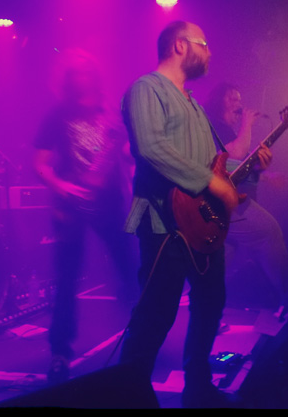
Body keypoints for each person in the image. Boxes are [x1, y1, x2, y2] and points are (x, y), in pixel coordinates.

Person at [118, 21, 240, 408]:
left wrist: (249, 168)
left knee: (210, 304)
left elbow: (214, 163)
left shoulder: (194, 104)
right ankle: (127, 398)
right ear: (180, 46)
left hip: (201, 225)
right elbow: (151, 147)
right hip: (164, 225)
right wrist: (212, 183)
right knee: (156, 315)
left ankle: (198, 388)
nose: (210, 52)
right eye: (204, 44)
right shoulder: (146, 89)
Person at [33, 49, 135, 384]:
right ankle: (60, 351)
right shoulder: (57, 115)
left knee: (129, 266)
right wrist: (61, 186)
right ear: (68, 79)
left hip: (108, 201)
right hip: (70, 204)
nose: (81, 77)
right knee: (66, 278)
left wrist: (133, 152)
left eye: (86, 71)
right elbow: (40, 164)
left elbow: (126, 154)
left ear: (95, 76)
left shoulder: (110, 114)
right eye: (75, 72)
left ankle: (143, 333)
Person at [204, 82, 288, 319]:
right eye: (231, 99)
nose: (238, 104)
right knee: (268, 231)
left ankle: (206, 315)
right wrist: (247, 124)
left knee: (220, 263)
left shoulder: (229, 132)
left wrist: (262, 170)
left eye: (239, 99)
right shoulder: (213, 126)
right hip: (218, 202)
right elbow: (234, 154)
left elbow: (237, 171)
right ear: (217, 102)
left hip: (218, 204)